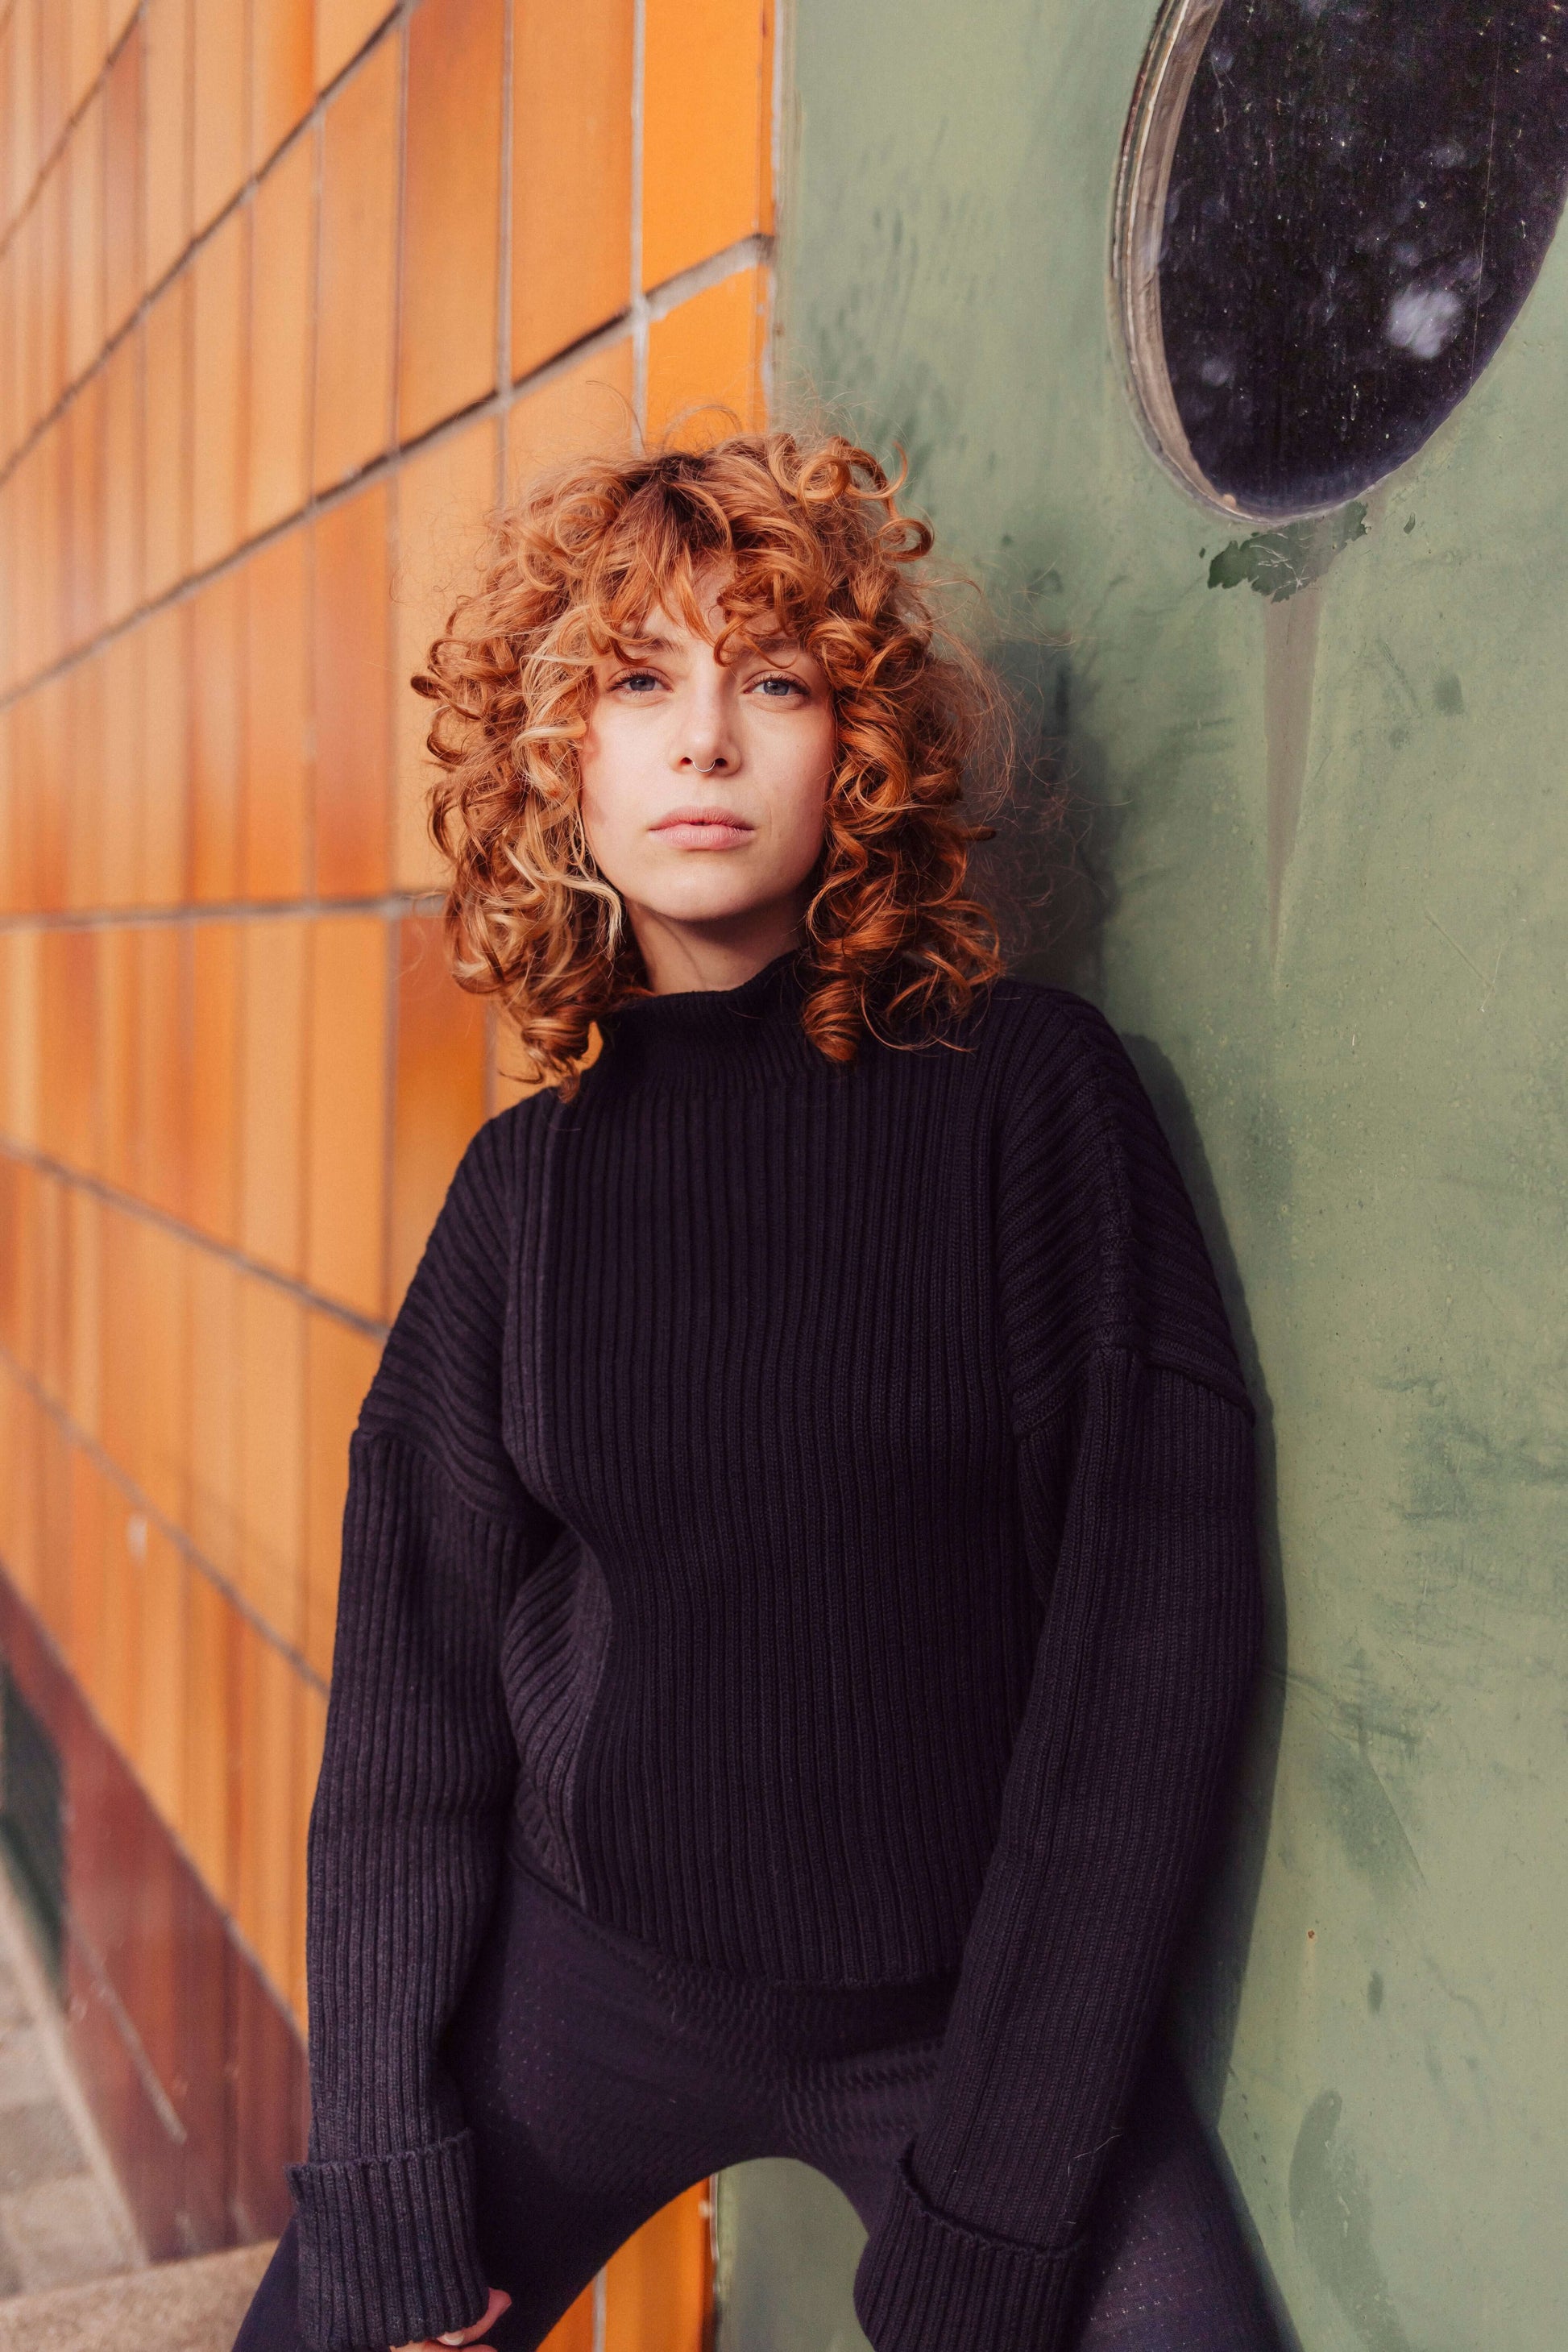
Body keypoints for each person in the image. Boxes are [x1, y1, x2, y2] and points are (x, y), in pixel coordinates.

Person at [232, 430, 1280, 2352]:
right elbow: (409, 1709)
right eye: (638, 683)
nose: (704, 740)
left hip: (966, 2022)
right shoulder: (522, 1197)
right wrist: (383, 2163)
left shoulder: (1028, 1104)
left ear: (854, 753)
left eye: (772, 680)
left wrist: (1000, 2194)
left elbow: (1149, 1655)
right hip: (596, 1984)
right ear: (559, 760)